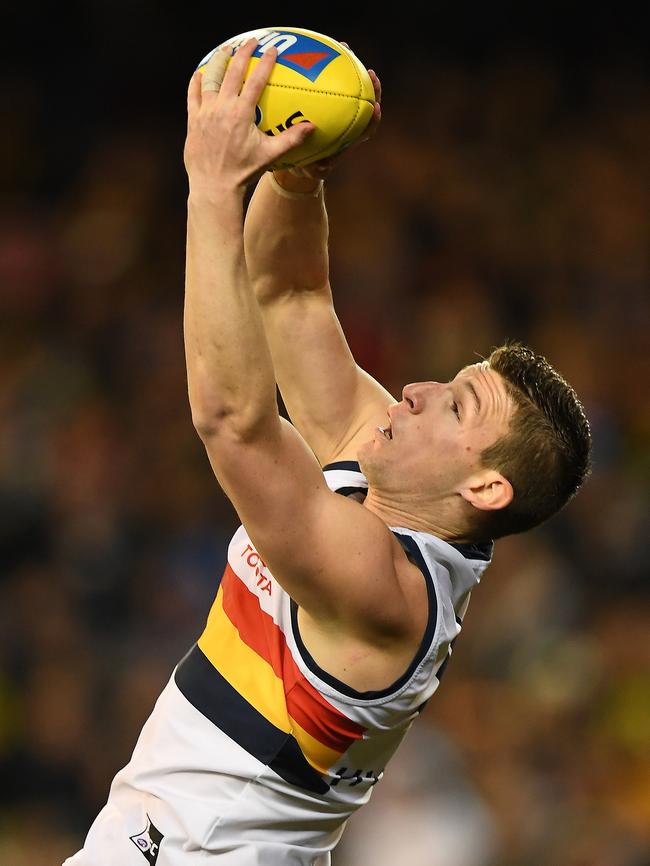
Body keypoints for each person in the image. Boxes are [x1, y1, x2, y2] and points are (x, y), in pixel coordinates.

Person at [64, 38, 591, 865]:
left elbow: (233, 420)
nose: (415, 390)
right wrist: (298, 170)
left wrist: (212, 184)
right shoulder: (380, 464)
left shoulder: (384, 593)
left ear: (486, 487)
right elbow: (291, 293)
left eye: (456, 405)